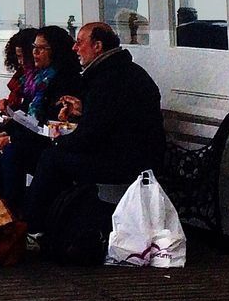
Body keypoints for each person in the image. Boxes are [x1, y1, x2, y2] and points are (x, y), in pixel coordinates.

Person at [23, 21, 166, 236]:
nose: (74, 48)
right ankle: (55, 224)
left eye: (80, 42)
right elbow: (111, 119)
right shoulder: (123, 72)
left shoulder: (109, 80)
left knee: (51, 159)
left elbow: (92, 134)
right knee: (52, 157)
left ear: (97, 46)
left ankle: (33, 226)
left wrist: (59, 140)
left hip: (127, 160)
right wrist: (82, 111)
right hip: (133, 152)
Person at [0, 25, 79, 211]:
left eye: (41, 49)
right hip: (33, 138)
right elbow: (25, 116)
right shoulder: (36, 79)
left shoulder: (65, 80)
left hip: (52, 143)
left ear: (56, 51)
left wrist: (11, 138)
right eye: (34, 47)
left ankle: (14, 209)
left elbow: (51, 125)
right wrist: (5, 132)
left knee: (12, 151)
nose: (34, 53)